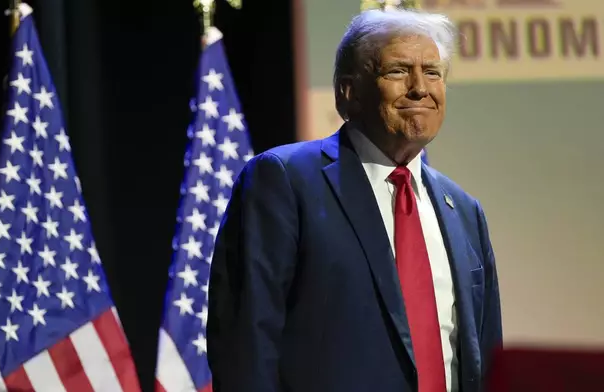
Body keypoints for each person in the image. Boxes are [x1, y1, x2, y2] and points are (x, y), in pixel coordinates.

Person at [207, 7, 502, 392]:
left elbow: (490, 357)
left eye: (433, 72)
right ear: (348, 91)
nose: (420, 87)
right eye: (398, 71)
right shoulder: (284, 180)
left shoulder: (463, 210)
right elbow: (246, 344)